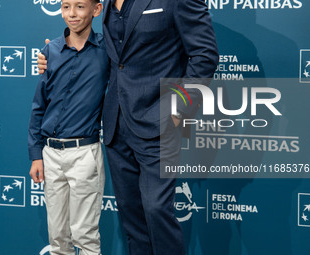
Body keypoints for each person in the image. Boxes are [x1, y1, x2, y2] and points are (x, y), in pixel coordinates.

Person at [38, 0, 219, 254]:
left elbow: (205, 56)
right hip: (116, 126)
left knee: (157, 211)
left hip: (159, 124)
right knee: (132, 218)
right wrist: (55, 57)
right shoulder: (109, 3)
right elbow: (115, 56)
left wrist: (176, 112)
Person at [28, 0, 108, 254]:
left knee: (85, 236)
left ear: (96, 10)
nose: (72, 14)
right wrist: (36, 155)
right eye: (65, 6)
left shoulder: (108, 51)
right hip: (50, 154)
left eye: (80, 7)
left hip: (84, 153)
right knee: (57, 236)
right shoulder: (50, 51)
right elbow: (39, 106)